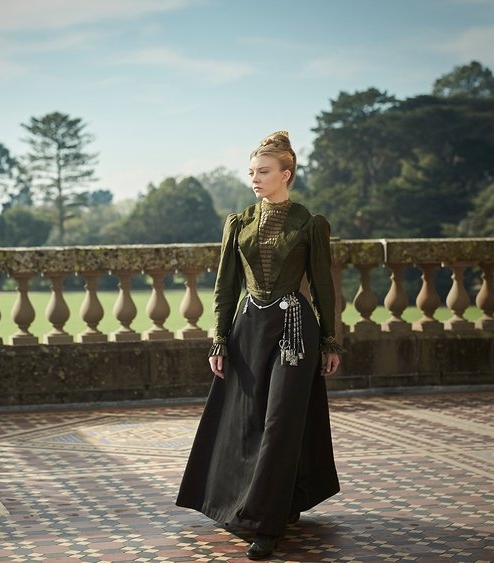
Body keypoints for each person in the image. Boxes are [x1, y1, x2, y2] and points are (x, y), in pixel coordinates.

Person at [175, 131, 343, 560]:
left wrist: (330, 340)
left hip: (293, 332)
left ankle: (266, 526)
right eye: (251, 172)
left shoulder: (310, 223)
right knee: (248, 422)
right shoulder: (238, 223)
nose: (255, 178)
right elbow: (225, 287)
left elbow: (323, 286)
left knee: (281, 422)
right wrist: (218, 340)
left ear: (286, 174)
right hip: (247, 330)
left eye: (263, 171)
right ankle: (269, 502)